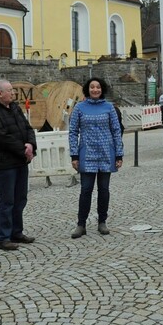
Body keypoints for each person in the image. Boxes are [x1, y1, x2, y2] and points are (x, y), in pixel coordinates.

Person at [0, 79, 37, 250]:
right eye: (10, 90)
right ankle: (3, 237)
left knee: (20, 198)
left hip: (20, 161)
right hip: (6, 163)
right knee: (7, 201)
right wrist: (24, 150)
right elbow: (1, 138)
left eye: (12, 90)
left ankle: (17, 232)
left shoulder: (15, 108)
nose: (13, 93)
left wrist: (31, 144)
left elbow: (28, 128)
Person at [69, 77, 124, 238]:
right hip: (87, 154)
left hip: (106, 154)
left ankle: (102, 221)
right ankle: (81, 224)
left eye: (98, 87)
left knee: (104, 189)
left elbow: (116, 130)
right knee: (86, 189)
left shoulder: (109, 108)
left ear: (102, 89)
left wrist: (119, 154)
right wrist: (74, 155)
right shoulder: (79, 108)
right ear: (88, 89)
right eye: (92, 87)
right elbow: (73, 132)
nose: (95, 90)